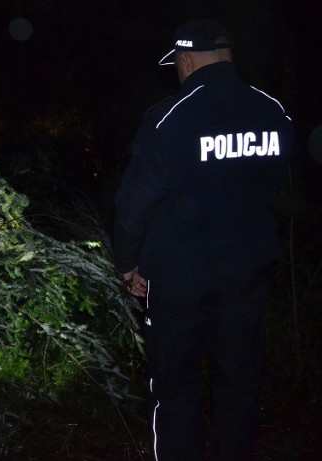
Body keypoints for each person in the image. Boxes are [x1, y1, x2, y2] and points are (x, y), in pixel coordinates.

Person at [113, 19, 294, 461]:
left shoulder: (169, 117)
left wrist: (128, 264)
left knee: (175, 389)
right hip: (247, 277)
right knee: (239, 383)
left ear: (188, 60)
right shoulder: (273, 111)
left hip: (179, 281)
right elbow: (276, 189)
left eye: (177, 63)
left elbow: (133, 205)